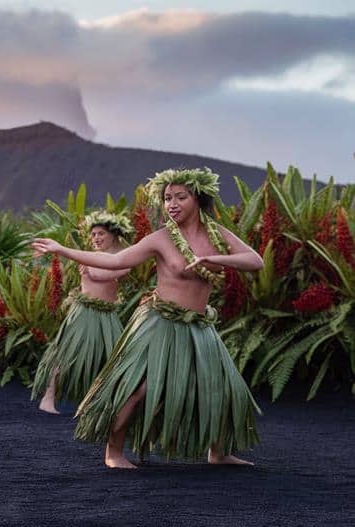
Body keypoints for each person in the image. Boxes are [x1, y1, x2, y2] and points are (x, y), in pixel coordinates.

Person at [32, 168, 262, 468]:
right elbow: (115, 260)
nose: (172, 204)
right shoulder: (162, 238)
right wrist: (63, 249)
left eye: (181, 196)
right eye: (167, 198)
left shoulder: (218, 235)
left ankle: (218, 452)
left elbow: (254, 260)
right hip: (160, 323)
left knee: (221, 384)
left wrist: (216, 259)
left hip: (198, 326)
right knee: (138, 387)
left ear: (198, 199)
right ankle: (113, 453)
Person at [31, 212, 133, 414]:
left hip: (107, 315)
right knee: (65, 353)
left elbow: (106, 271)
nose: (96, 238)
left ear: (113, 235)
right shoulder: (90, 257)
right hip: (84, 313)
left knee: (110, 358)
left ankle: (96, 403)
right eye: (93, 234)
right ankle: (48, 398)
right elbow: (97, 273)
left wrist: (96, 263)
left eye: (101, 234)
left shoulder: (122, 259)